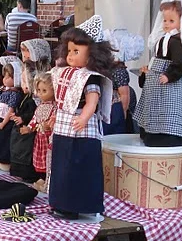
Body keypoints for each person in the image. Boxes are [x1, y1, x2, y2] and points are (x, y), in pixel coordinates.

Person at [49, 20, 114, 220]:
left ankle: (81, 205)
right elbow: (59, 99)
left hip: (81, 130)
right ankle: (61, 203)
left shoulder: (90, 77)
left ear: (90, 56)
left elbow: (92, 101)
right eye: (69, 50)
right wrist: (54, 115)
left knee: (80, 167)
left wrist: (84, 117)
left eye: (76, 51)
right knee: (62, 166)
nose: (70, 55)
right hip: (63, 127)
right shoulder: (65, 72)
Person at [136, 0, 182, 147]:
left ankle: (168, 137)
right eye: (165, 20)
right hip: (156, 84)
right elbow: (157, 60)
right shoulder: (163, 40)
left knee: (168, 111)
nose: (166, 24)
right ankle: (151, 135)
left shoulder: (179, 41)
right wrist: (147, 72)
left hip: (168, 85)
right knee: (154, 109)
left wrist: (169, 75)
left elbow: (180, 61)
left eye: (171, 21)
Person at [0, 59, 23, 171]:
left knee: (2, 139)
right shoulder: (5, 91)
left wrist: (4, 122)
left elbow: (10, 109)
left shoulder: (14, 94)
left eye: (8, 77)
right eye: (4, 76)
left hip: (4, 118)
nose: (4, 80)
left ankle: (3, 160)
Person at [9, 64, 40, 182]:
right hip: (20, 128)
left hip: (29, 129)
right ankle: (20, 172)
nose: (23, 84)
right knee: (18, 149)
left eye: (25, 81)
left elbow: (35, 113)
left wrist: (23, 118)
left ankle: (29, 175)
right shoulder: (24, 96)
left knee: (26, 152)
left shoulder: (34, 99)